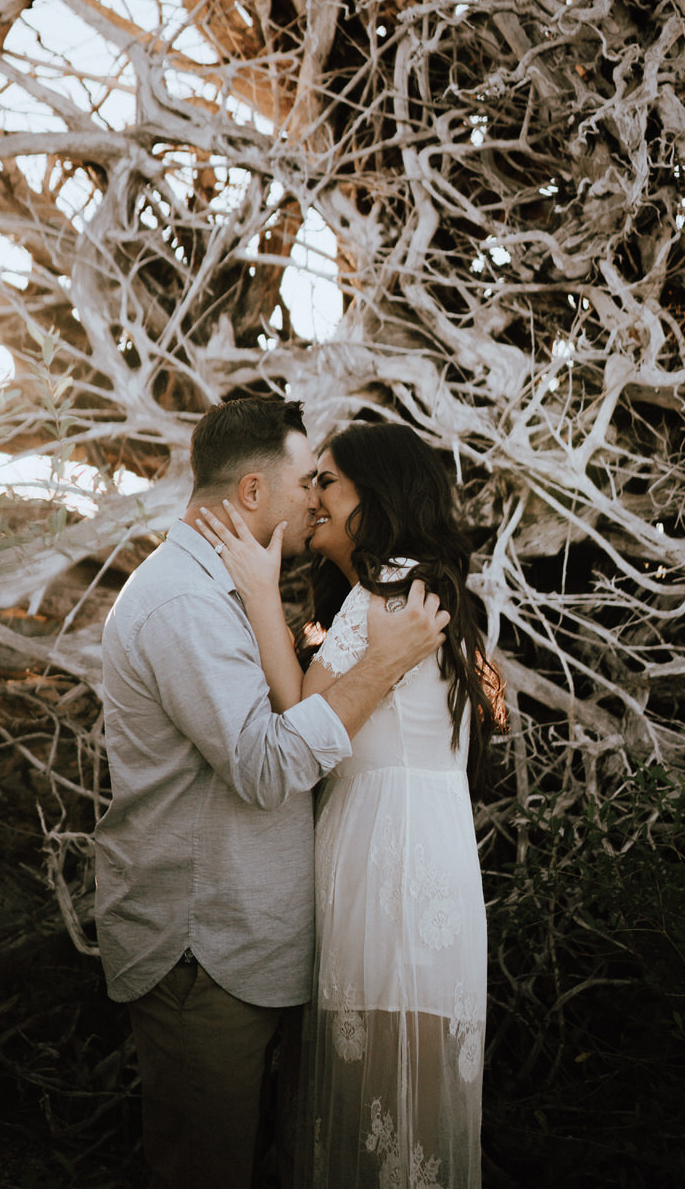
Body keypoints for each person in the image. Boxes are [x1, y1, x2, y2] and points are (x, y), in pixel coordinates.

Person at [94, 397, 450, 1189]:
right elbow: (263, 767)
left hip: (248, 946)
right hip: (203, 949)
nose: (312, 500)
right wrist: (379, 666)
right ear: (252, 491)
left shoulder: (218, 589)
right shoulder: (185, 604)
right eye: (302, 482)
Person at [195, 421, 502, 1189]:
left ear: (377, 492)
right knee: (409, 1093)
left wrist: (259, 592)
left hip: (386, 858)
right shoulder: (425, 591)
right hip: (430, 848)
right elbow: (486, 713)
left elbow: (303, 713)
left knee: (380, 1097)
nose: (312, 497)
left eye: (326, 480)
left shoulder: (385, 594)